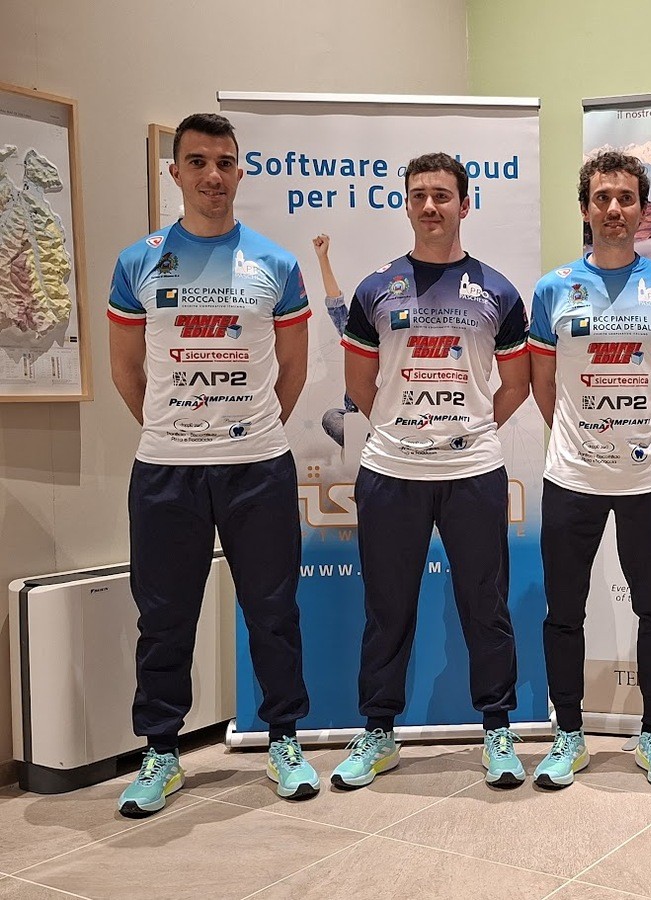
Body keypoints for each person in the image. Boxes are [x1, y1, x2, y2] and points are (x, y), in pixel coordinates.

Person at [108, 112, 318, 816]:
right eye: (197, 162)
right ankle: (161, 751)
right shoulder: (137, 262)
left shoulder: (276, 264)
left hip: (257, 466)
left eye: (225, 162)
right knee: (164, 617)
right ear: (176, 173)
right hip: (166, 468)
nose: (212, 175)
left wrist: (248, 432)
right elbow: (126, 369)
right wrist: (174, 432)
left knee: (273, 611)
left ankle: (284, 739)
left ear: (239, 171)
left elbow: (293, 369)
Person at [335, 152, 530, 789]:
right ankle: (378, 732)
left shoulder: (498, 291)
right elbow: (360, 385)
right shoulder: (375, 289)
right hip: (391, 469)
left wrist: (467, 430)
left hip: (473, 468)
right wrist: (406, 432)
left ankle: (497, 729)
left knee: (485, 604)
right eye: (418, 194)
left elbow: (516, 384)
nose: (429, 206)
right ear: (407, 204)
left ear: (464, 205)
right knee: (387, 607)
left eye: (442, 195)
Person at [529, 151, 651, 789]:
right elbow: (544, 385)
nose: (614, 209)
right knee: (563, 611)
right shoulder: (552, 289)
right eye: (602, 198)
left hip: (649, 477)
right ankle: (568, 734)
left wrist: (649, 430)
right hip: (572, 475)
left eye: (626, 198)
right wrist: (579, 437)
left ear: (642, 209)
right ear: (585, 209)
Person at [311, 233, 360, 448]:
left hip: (388, 417)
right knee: (331, 417)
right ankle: (361, 442)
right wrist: (323, 258)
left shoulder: (396, 343)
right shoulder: (357, 337)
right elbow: (336, 305)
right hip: (357, 416)